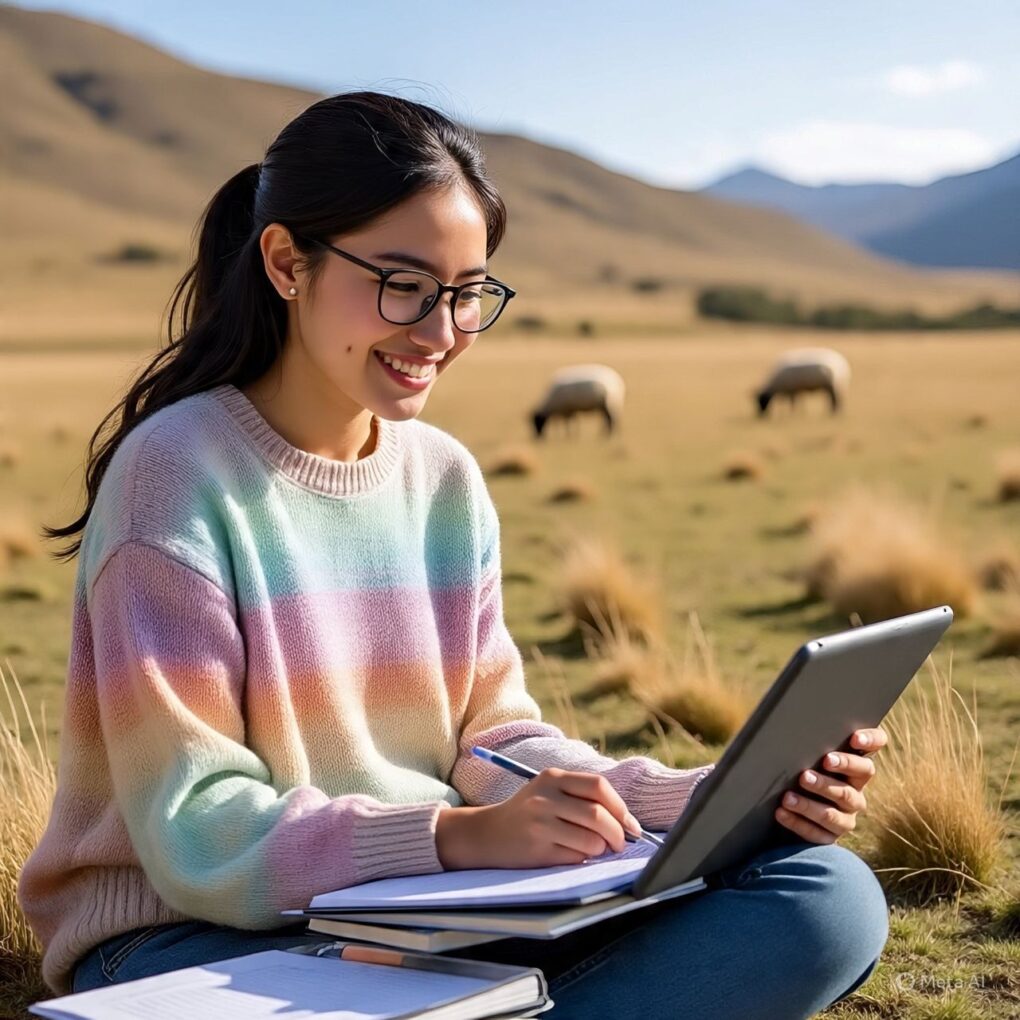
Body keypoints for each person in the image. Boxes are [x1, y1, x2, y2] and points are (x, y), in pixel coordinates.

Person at [18, 91, 889, 1019]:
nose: (441, 333)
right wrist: (457, 839)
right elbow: (199, 834)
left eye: (468, 294)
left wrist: (696, 802)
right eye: (402, 284)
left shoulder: (442, 478)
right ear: (285, 262)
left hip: (415, 912)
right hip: (189, 933)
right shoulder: (174, 477)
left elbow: (496, 740)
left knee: (821, 897)